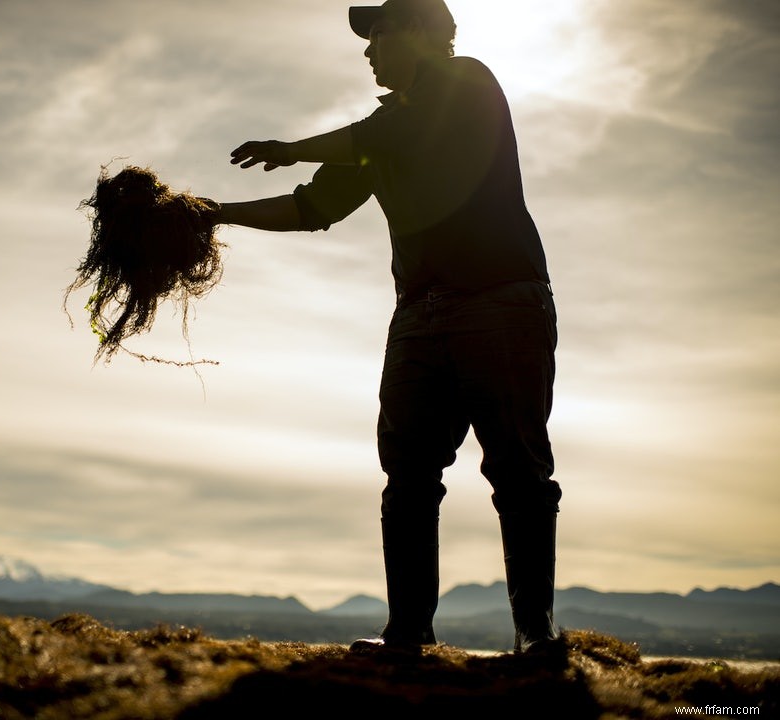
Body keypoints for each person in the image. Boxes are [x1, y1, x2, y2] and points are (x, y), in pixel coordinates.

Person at [211, 0, 562, 653]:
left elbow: (383, 139)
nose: (368, 50)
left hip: (500, 302)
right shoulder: (380, 131)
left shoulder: (468, 85)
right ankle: (408, 635)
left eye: (379, 33)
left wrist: (291, 148)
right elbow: (311, 207)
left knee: (517, 469)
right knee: (407, 473)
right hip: (418, 316)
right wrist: (214, 214)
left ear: (423, 33)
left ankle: (536, 635)